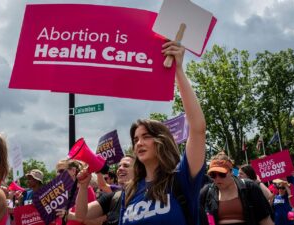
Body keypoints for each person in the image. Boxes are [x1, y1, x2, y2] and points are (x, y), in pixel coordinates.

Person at [118, 41, 206, 225]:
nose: (139, 143)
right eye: (135, 139)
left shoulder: (181, 178)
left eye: (146, 136)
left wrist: (179, 71)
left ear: (162, 141)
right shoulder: (129, 191)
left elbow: (197, 129)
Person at [200, 154, 273, 225]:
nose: (217, 178)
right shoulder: (207, 192)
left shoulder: (249, 187)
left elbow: (265, 219)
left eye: (222, 174)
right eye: (213, 175)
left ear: (231, 172)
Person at [75, 155, 135, 225]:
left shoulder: (148, 193)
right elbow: (81, 215)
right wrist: (83, 186)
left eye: (126, 166)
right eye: (119, 166)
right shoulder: (114, 197)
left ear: (138, 170)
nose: (120, 168)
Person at [54, 159, 100, 225]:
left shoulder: (86, 190)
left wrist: (71, 216)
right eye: (57, 172)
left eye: (61, 171)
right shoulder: (61, 193)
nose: (58, 174)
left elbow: (94, 221)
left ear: (73, 170)